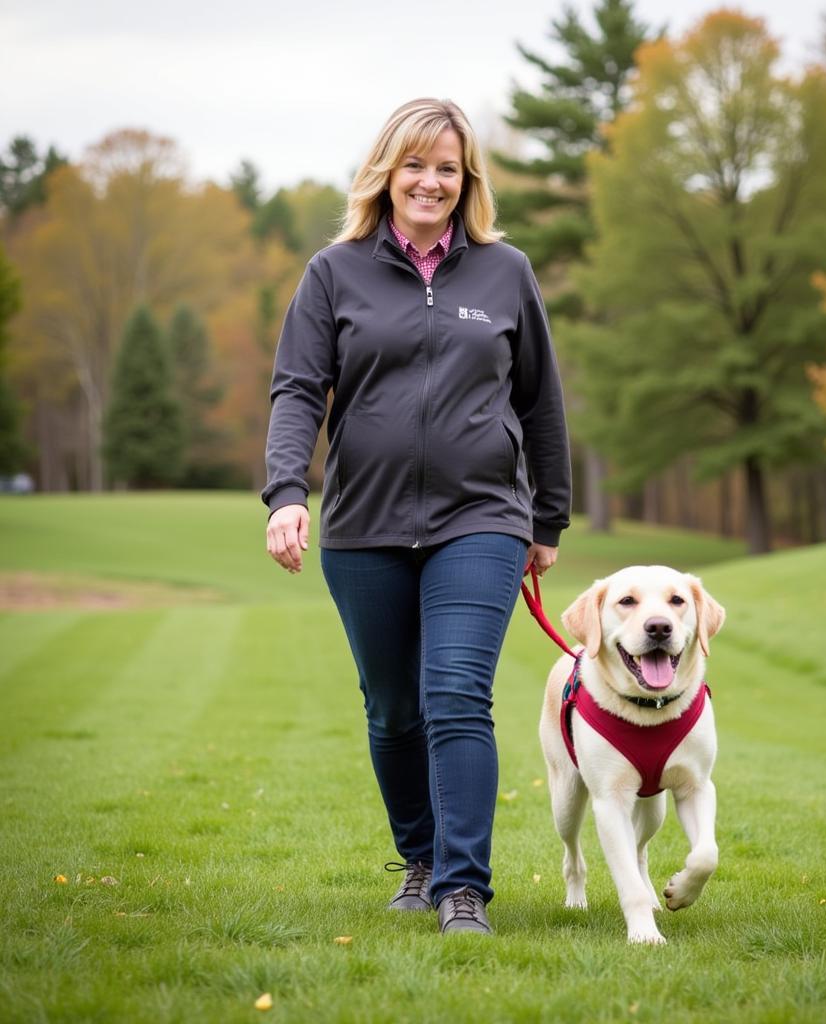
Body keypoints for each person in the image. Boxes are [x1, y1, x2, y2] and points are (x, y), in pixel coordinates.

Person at [261, 98, 571, 935]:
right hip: (363, 524)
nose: (430, 181)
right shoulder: (335, 272)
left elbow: (540, 402)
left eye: (447, 168)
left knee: (457, 693)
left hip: (482, 520)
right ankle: (423, 857)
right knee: (393, 706)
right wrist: (287, 492)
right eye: (415, 165)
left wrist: (548, 519)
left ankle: (464, 885)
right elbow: (297, 389)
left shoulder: (506, 272)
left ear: (465, 180)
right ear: (386, 173)